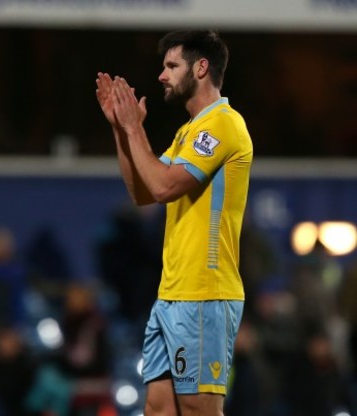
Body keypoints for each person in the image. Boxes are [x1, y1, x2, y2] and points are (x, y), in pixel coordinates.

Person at [95, 30, 253, 415]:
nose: (162, 76)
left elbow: (164, 187)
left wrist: (135, 129)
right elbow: (143, 193)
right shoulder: (189, 132)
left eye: (171, 65)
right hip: (172, 295)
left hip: (204, 294)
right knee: (159, 408)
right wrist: (121, 128)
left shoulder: (223, 125)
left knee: (199, 409)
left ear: (201, 68)